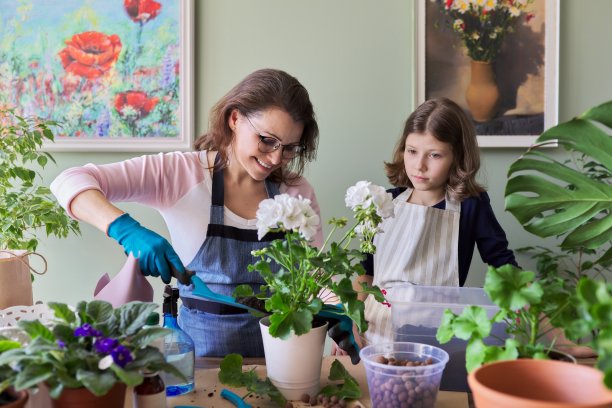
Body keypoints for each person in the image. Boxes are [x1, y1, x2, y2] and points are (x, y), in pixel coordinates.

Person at [51, 68, 323, 357]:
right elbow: (69, 181)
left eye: (290, 148)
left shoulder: (295, 194)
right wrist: (127, 231)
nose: (276, 158)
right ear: (235, 119)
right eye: (267, 140)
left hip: (284, 363)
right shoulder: (179, 173)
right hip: (197, 369)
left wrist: (337, 316)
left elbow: (318, 278)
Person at [349, 97, 517, 347]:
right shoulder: (384, 202)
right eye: (412, 151)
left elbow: (505, 268)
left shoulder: (471, 205)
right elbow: (367, 272)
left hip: (434, 339)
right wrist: (350, 324)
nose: (419, 166)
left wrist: (552, 331)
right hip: (373, 335)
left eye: (435, 155)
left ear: (457, 157)